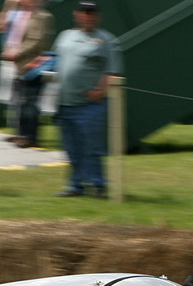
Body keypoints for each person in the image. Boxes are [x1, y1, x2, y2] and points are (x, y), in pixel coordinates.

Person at [51, 0, 121, 198]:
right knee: (71, 148)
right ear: (76, 14)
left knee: (92, 148)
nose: (87, 16)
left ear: (97, 16)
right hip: (65, 103)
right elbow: (54, 61)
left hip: (89, 105)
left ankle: (99, 186)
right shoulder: (65, 36)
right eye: (84, 12)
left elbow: (112, 71)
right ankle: (76, 186)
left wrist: (101, 91)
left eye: (91, 13)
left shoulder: (107, 40)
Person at [0, 0, 53, 148]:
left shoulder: (43, 16)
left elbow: (36, 40)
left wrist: (16, 53)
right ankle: (20, 133)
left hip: (32, 63)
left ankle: (30, 136)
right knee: (18, 101)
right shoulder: (17, 14)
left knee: (30, 101)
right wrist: (9, 5)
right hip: (15, 64)